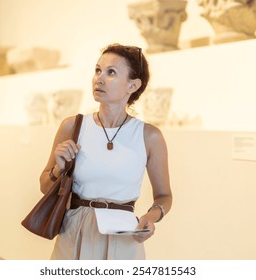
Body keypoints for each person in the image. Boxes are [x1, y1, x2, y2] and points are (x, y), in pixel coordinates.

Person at [39, 43, 172, 260]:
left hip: (123, 235)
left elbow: (164, 196)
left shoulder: (149, 136)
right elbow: (44, 186)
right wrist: (58, 168)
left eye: (111, 73)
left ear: (133, 85)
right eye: (98, 70)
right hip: (74, 232)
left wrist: (151, 216)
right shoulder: (72, 126)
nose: (99, 78)